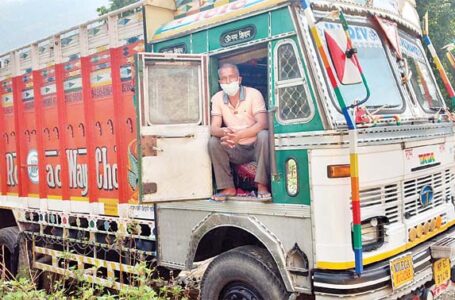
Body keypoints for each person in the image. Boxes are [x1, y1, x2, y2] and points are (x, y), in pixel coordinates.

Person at [208, 63, 270, 201]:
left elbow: (263, 123)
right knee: (213, 142)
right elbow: (213, 128)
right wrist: (224, 133)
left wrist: (239, 135)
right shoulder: (217, 98)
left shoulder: (254, 94)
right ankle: (227, 187)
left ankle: (262, 186)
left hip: (255, 146)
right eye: (224, 79)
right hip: (234, 148)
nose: (228, 81)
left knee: (264, 135)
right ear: (220, 82)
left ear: (239, 79)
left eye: (231, 77)